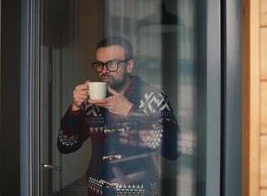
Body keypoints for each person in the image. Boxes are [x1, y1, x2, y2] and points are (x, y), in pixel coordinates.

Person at [57, 36, 179, 196]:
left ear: (129, 66)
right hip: (97, 191)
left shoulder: (153, 96)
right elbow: (66, 145)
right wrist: (75, 107)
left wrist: (131, 111)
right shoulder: (92, 99)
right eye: (99, 64)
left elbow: (173, 150)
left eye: (112, 64)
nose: (103, 70)